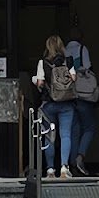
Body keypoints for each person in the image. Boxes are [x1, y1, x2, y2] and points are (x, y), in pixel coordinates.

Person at [30, 32, 74, 170]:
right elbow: (74, 78)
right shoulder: (68, 61)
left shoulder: (43, 63)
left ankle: (50, 169)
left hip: (49, 103)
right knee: (65, 135)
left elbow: (40, 83)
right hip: (66, 103)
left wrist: (34, 80)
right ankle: (64, 167)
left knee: (49, 136)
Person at [63, 39, 99, 175]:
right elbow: (87, 67)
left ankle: (72, 164)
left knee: (74, 130)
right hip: (84, 95)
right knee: (90, 127)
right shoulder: (82, 49)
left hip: (69, 95)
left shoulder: (64, 51)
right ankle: (80, 156)